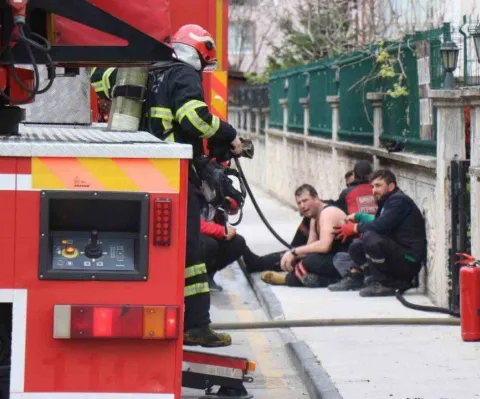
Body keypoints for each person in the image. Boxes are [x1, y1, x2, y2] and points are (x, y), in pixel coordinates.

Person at [90, 24, 240, 347]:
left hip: (141, 171)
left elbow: (98, 80)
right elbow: (194, 119)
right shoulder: (184, 75)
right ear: (197, 52)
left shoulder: (147, 71)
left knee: (151, 249)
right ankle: (197, 325)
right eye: (204, 59)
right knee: (189, 252)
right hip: (175, 174)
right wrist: (230, 135)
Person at [332, 170, 427, 296]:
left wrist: (355, 228)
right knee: (356, 247)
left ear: (391, 186)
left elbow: (381, 226)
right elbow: (379, 221)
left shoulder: (399, 201)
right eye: (372, 186)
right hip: (397, 254)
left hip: (408, 261)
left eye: (378, 186)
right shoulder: (386, 201)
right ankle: (369, 279)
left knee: (370, 237)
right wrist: (360, 217)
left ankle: (387, 283)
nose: (374, 190)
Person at [261, 184, 349, 288]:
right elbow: (310, 247)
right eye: (299, 203)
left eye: (305, 201)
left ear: (316, 198)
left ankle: (287, 280)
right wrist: (292, 257)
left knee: (310, 261)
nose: (302, 205)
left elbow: (325, 246)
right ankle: (325, 281)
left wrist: (294, 252)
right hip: (333, 259)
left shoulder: (328, 213)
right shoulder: (314, 218)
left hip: (346, 261)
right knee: (305, 259)